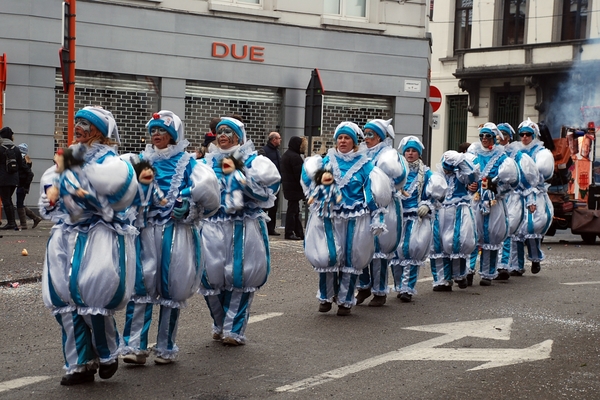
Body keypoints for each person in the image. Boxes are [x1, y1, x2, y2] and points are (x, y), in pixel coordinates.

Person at [39, 106, 139, 385]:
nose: (78, 127)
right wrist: (52, 194)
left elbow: (118, 192)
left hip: (100, 236)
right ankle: (79, 364)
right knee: (63, 300)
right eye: (77, 122)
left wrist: (80, 187)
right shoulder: (68, 158)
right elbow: (50, 186)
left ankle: (107, 351)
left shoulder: (114, 162)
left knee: (93, 296)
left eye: (85, 123)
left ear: (100, 131)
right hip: (65, 236)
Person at [121, 110, 220, 365]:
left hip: (175, 232)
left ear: (173, 136)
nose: (156, 135)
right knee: (140, 286)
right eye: (153, 131)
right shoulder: (140, 160)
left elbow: (209, 195)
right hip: (145, 231)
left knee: (171, 287)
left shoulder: (188, 164)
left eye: (162, 131)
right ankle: (134, 346)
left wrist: (189, 207)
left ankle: (165, 345)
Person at [200, 116, 281, 345]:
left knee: (240, 275)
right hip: (212, 226)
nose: (223, 135)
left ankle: (233, 330)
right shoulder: (205, 163)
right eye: (220, 132)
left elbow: (268, 193)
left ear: (238, 136)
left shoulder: (254, 162)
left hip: (242, 225)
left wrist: (242, 181)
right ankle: (219, 322)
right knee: (209, 277)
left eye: (228, 132)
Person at [301, 121, 392, 316]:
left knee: (351, 259)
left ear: (354, 142)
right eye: (340, 138)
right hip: (330, 216)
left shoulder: (365, 165)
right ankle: (326, 296)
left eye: (347, 138)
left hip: (355, 218)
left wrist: (377, 215)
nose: (343, 141)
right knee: (328, 256)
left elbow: (373, 190)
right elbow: (315, 186)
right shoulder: (326, 162)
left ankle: (345, 301)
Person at [355, 119, 408, 306]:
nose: (366, 138)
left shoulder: (389, 154)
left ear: (380, 136)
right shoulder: (360, 153)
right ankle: (363, 286)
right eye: (365, 133)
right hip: (362, 205)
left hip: (385, 206)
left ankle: (379, 291)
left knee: (379, 248)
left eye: (371, 134)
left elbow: (399, 176)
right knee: (360, 246)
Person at [391, 136, 446, 302]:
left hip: (417, 218)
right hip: (398, 217)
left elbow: (438, 195)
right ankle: (399, 285)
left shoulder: (427, 173)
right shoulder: (397, 172)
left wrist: (427, 205)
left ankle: (407, 288)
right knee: (396, 252)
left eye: (413, 151)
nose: (410, 153)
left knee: (411, 250)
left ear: (419, 154)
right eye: (407, 150)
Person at [467, 122, 519, 286]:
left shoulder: (503, 158)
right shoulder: (472, 154)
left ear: (494, 139)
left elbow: (510, 182)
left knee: (491, 237)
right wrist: (470, 185)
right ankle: (468, 271)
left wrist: (495, 187)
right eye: (481, 136)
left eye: (487, 136)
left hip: (494, 203)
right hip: (475, 201)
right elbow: (464, 177)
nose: (484, 139)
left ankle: (487, 274)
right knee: (472, 235)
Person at [510, 119, 554, 275]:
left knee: (531, 227)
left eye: (528, 134)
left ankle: (535, 258)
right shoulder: (516, 151)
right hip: (517, 195)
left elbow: (545, 172)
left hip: (535, 194)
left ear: (534, 135)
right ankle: (517, 266)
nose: (524, 137)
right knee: (515, 230)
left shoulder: (541, 152)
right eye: (522, 134)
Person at [432, 150, 479, 291]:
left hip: (458, 210)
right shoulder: (437, 175)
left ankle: (459, 275)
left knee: (457, 242)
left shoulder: (461, 175)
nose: (447, 171)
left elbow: (472, 177)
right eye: (445, 167)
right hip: (440, 212)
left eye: (449, 168)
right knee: (438, 246)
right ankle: (442, 280)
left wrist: (460, 160)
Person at [0, 127, 27, 230]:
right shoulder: (16, 149)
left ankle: (11, 223)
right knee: (8, 199)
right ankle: (12, 222)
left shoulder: (0, 148)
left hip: (3, 179)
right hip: (14, 179)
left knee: (6, 200)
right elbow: (20, 164)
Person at [280, 136, 307, 240]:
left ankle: (299, 232)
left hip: (289, 187)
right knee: (292, 211)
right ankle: (289, 232)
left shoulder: (286, 155)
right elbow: (300, 175)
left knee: (294, 210)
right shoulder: (295, 157)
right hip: (294, 187)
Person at [16, 143, 42, 229]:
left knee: (19, 204)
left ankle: (24, 224)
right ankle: (35, 218)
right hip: (22, 185)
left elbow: (30, 174)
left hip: (22, 185)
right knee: (20, 203)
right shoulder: (26, 161)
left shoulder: (22, 162)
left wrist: (25, 186)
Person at [260, 131, 282, 235]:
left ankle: (271, 228)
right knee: (265, 206)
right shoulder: (264, 151)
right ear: (274, 140)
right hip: (267, 183)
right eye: (279, 138)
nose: (280, 140)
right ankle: (262, 226)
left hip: (276, 183)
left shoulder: (277, 151)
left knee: (274, 207)